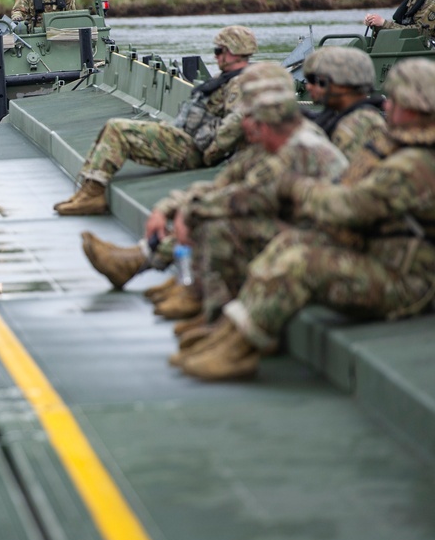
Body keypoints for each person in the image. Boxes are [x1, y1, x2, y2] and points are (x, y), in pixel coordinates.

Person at [178, 58, 435, 381]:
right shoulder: (403, 147)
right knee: (289, 242)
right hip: (385, 257)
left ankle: (242, 348)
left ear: (413, 108)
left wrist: (297, 188)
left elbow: (351, 206)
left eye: (395, 100)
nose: (388, 104)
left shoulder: (416, 163)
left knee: (302, 264)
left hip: (410, 283)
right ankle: (232, 332)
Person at [81, 64, 347, 333]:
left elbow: (245, 197)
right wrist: (170, 206)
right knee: (211, 212)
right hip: (289, 227)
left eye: (251, 113)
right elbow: (224, 183)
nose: (243, 121)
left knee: (219, 223)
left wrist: (189, 211)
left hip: (316, 244)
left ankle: (213, 315)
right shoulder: (266, 144)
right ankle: (172, 280)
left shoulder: (300, 147)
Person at [54, 25, 256, 216]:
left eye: (219, 50)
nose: (215, 55)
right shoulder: (229, 77)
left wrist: (213, 152)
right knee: (111, 127)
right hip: (186, 138)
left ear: (233, 52)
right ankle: (87, 190)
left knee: (118, 129)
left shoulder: (240, 84)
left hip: (193, 148)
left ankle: (92, 195)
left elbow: (236, 121)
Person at [302, 46, 386, 158]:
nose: (309, 87)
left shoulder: (358, 126)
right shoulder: (344, 116)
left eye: (321, 82)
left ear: (342, 85)